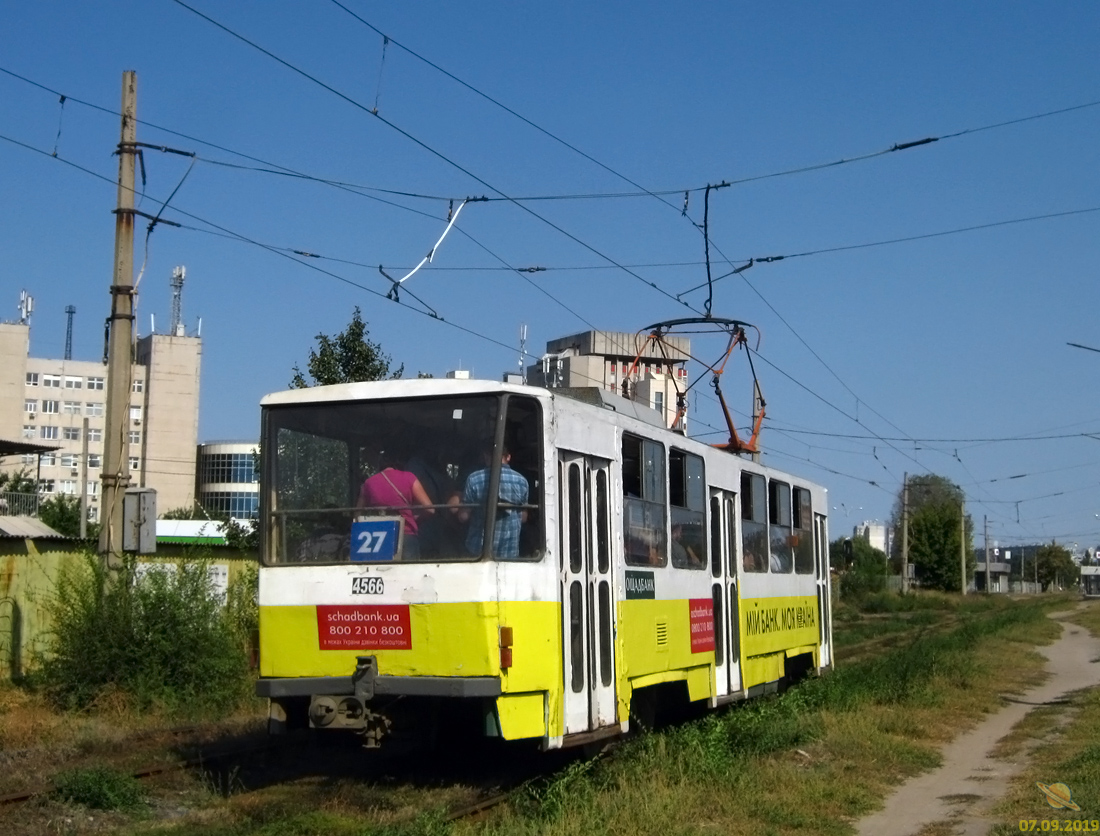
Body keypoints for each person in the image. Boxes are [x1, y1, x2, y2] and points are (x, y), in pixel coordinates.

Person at [357, 454, 435, 559]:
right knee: (409, 573)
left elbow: (357, 514)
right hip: (406, 534)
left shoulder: (368, 483)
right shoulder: (409, 478)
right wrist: (416, 519)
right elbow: (430, 509)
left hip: (375, 537)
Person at [459, 447, 529, 559]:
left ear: (486, 456)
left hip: (478, 550)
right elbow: (523, 518)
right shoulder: (522, 481)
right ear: (508, 457)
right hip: (509, 551)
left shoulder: (474, 479)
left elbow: (463, 516)